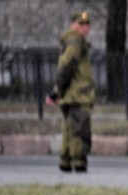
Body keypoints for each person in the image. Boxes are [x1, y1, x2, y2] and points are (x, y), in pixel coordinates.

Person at [45, 10, 94, 173]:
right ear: (72, 24)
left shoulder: (73, 42)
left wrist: (57, 92)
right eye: (81, 24)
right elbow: (67, 67)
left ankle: (65, 161)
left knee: (69, 129)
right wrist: (57, 91)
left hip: (71, 95)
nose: (85, 28)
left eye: (87, 24)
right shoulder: (75, 42)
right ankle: (79, 163)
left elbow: (65, 68)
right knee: (80, 131)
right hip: (77, 95)